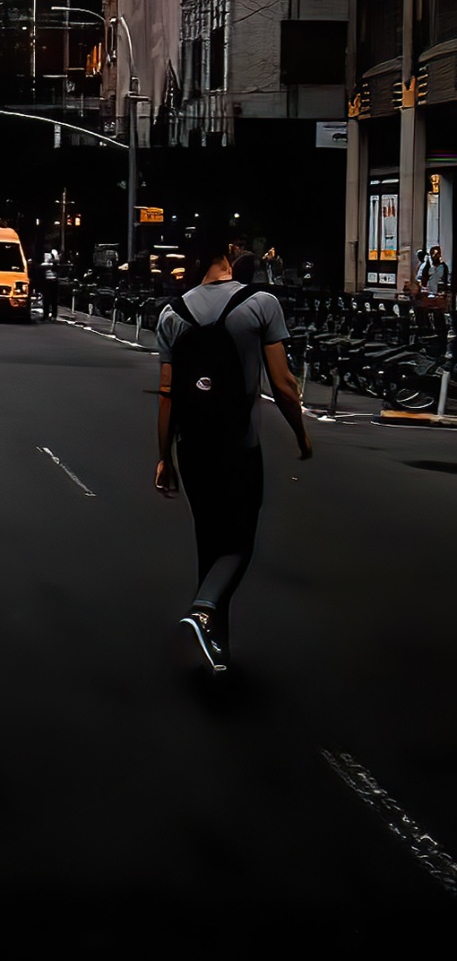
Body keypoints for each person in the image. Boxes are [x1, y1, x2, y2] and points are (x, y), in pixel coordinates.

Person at [155, 212, 312, 674]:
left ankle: (215, 645)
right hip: (239, 446)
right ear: (229, 253)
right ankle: (204, 612)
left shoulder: (172, 314)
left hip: (192, 446)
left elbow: (166, 397)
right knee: (239, 543)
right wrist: (301, 433)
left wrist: (164, 457)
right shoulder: (260, 304)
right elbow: (283, 386)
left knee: (210, 540)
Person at [38, 243, 60, 321]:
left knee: (53, 299)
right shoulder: (42, 254)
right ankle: (45, 315)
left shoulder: (53, 252)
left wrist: (51, 262)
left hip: (53, 278)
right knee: (46, 299)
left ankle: (54, 315)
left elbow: (57, 262)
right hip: (46, 279)